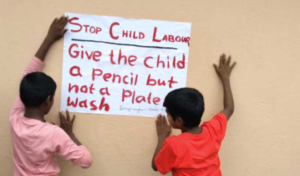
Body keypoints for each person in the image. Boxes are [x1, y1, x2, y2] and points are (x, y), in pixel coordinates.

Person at [9, 16, 92, 176]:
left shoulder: (15, 118)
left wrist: (49, 38)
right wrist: (70, 134)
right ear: (48, 101)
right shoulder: (54, 133)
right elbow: (86, 161)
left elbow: (28, 74)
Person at [152, 54, 236, 176]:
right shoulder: (213, 130)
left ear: (179, 121)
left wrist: (162, 136)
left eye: (168, 114)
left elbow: (156, 166)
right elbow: (229, 108)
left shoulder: (173, 145)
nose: (167, 117)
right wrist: (225, 78)